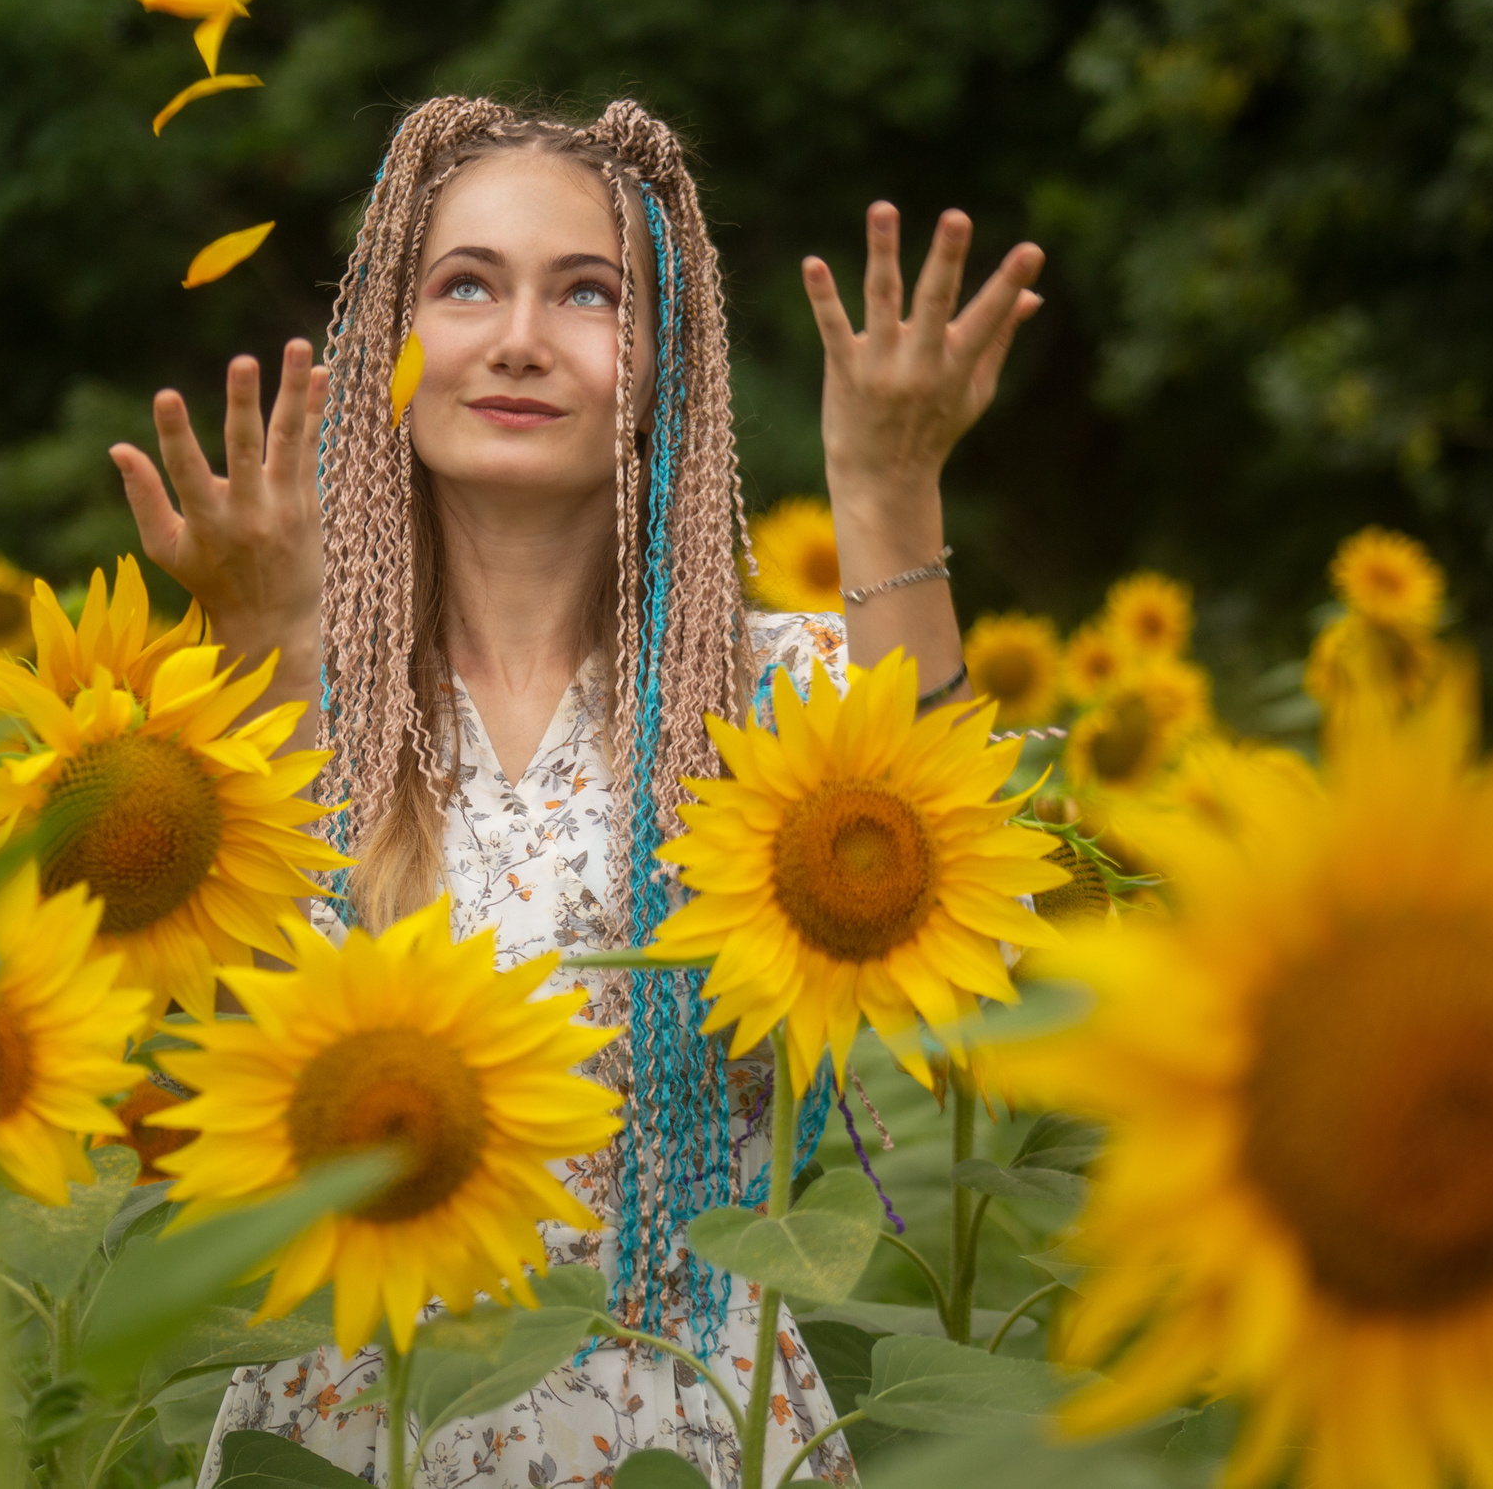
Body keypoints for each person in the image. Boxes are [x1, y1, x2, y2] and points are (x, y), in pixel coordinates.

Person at [111, 96, 1044, 1487]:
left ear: (667, 363)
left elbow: (978, 975)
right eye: (466, 283)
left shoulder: (777, 701)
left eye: (589, 292)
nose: (520, 340)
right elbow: (219, 1077)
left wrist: (888, 490)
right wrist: (269, 646)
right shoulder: (291, 704)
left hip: (678, 1430)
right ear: (389, 346)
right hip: (345, 1432)